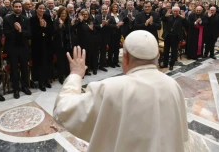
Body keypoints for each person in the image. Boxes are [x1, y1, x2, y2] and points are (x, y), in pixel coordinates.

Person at [53, 30, 188, 152]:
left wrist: (76, 74)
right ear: (157, 55)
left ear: (125, 56)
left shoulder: (109, 88)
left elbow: (63, 110)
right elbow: (180, 136)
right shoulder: (173, 86)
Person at [3, 0, 32, 99]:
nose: (18, 8)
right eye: (16, 6)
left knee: (24, 68)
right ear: (12, 7)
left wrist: (20, 30)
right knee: (14, 69)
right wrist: (15, 30)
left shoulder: (26, 19)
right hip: (12, 48)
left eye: (19, 6)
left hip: (23, 47)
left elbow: (29, 34)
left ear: (22, 8)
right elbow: (6, 34)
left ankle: (25, 86)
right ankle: (16, 88)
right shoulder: (7, 19)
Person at [30, 2, 53, 91]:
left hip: (47, 43)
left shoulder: (47, 17)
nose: (42, 10)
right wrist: (41, 27)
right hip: (37, 44)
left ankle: (47, 79)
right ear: (36, 9)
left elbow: (51, 30)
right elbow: (33, 34)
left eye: (43, 8)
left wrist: (45, 27)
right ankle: (40, 81)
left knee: (47, 61)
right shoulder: (32, 19)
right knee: (39, 63)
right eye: (40, 8)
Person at [53, 7, 75, 84]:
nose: (64, 15)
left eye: (65, 13)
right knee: (61, 61)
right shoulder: (56, 21)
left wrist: (72, 25)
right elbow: (54, 32)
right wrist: (60, 26)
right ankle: (61, 77)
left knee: (68, 60)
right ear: (59, 14)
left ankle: (68, 75)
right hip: (60, 44)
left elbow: (71, 32)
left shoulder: (68, 21)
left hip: (68, 44)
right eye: (62, 13)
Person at [94, 4, 115, 72]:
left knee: (103, 52)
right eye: (103, 9)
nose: (104, 10)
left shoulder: (111, 17)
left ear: (107, 9)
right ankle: (95, 65)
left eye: (105, 9)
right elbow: (94, 26)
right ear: (101, 10)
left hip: (106, 38)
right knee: (96, 52)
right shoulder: (97, 17)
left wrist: (107, 24)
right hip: (98, 37)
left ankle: (102, 65)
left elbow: (114, 26)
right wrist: (101, 25)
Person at [108, 3, 123, 67]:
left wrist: (121, 24)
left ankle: (116, 61)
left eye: (116, 7)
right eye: (114, 7)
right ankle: (110, 62)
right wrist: (116, 25)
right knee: (111, 48)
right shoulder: (109, 16)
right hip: (112, 34)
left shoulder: (119, 15)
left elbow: (121, 23)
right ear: (111, 8)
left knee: (117, 48)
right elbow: (108, 25)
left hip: (118, 34)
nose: (115, 8)